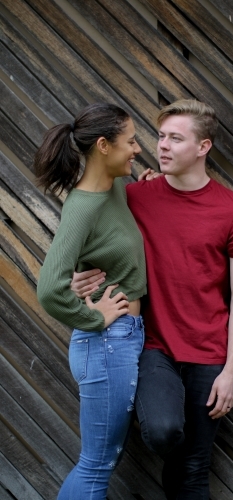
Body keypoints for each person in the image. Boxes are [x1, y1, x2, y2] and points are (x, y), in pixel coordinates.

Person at [71, 99, 233, 499]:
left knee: (193, 469)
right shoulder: (136, 198)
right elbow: (97, 246)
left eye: (176, 138)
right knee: (163, 431)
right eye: (160, 136)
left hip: (210, 353)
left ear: (203, 147)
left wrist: (231, 371)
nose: (163, 146)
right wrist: (80, 280)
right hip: (152, 346)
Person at [35, 103, 147, 500]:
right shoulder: (82, 207)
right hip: (105, 342)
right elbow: (49, 288)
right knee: (96, 466)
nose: (138, 148)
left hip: (121, 339)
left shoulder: (116, 187)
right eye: (131, 141)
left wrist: (144, 183)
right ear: (103, 145)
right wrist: (93, 316)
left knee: (103, 461)